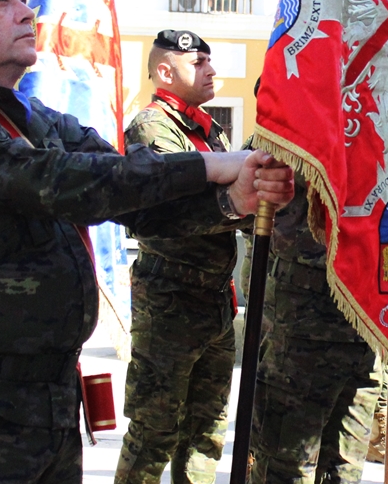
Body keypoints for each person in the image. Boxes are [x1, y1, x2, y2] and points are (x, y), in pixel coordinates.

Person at [0, 0, 296, 482]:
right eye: (2, 1)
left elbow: (125, 184)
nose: (26, 12)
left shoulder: (28, 114)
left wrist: (234, 200)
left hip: (48, 392)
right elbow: (60, 183)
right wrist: (211, 166)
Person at [116, 30, 253, 484]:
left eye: (210, 61)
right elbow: (177, 202)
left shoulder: (209, 130)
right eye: (198, 62)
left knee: (207, 430)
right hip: (170, 299)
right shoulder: (152, 126)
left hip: (213, 298)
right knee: (155, 431)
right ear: (164, 71)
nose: (211, 70)